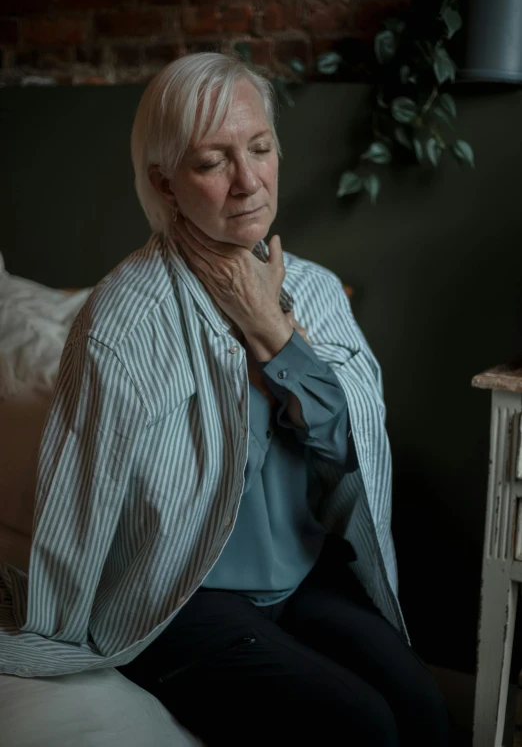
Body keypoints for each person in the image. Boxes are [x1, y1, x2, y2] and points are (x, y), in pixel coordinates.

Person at [0, 52, 450, 746]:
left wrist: (273, 332)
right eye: (213, 162)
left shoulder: (317, 291)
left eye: (261, 148)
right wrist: (53, 628)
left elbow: (349, 453)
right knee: (362, 725)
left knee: (423, 705)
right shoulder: (122, 319)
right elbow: (79, 491)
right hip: (183, 598)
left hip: (299, 580)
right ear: (165, 181)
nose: (248, 182)